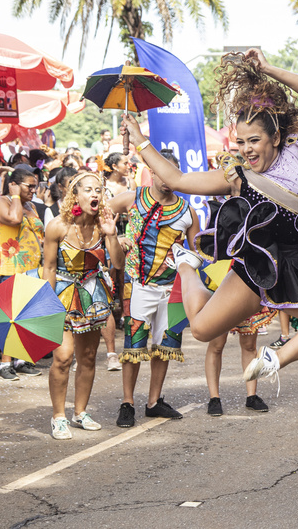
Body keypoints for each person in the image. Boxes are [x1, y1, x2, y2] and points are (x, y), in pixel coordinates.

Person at [119, 48, 298, 393]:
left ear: (275, 138)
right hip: (253, 272)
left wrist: (266, 68)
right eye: (240, 142)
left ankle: (274, 359)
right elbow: (176, 180)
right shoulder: (237, 175)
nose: (246, 149)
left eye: (254, 141)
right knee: (202, 330)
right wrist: (140, 140)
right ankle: (187, 267)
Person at [108, 149, 201, 428]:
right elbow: (102, 213)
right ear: (151, 170)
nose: (166, 178)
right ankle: (127, 403)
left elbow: (196, 252)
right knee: (134, 346)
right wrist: (117, 238)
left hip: (172, 290)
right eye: (160, 171)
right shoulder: (133, 198)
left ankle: (154, 401)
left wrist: (187, 262)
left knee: (164, 346)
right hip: (138, 284)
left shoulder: (187, 211)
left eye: (171, 172)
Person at [43, 172, 124, 439]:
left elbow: (118, 264)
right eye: (88, 189)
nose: (95, 194)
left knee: (88, 357)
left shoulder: (104, 225)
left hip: (93, 293)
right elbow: (50, 267)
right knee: (63, 357)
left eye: (99, 190)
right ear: (75, 195)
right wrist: (46, 304)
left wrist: (112, 234)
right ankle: (58, 416)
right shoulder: (58, 226)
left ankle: (80, 412)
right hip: (63, 294)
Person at [0, 166, 44, 381]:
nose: (33, 190)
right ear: (14, 185)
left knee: (26, 315)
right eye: (29, 186)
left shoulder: (30, 205)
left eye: (35, 186)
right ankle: (5, 364)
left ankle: (21, 360)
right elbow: (14, 220)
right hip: (9, 267)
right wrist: (13, 195)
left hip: (32, 266)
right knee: (11, 316)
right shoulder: (0, 201)